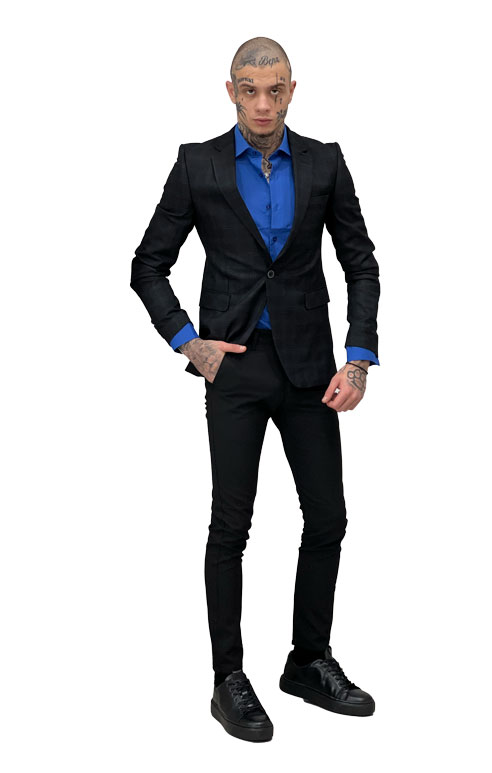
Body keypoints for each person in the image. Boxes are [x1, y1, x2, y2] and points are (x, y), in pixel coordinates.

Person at [130, 36, 380, 743]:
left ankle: (307, 661)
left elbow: (360, 262)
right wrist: (189, 342)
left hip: (311, 370)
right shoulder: (198, 163)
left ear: (292, 90)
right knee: (231, 526)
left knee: (327, 517)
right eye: (250, 90)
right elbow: (147, 264)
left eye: (275, 90)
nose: (263, 104)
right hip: (235, 369)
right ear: (231, 91)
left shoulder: (325, 161)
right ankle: (228, 678)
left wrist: (358, 359)